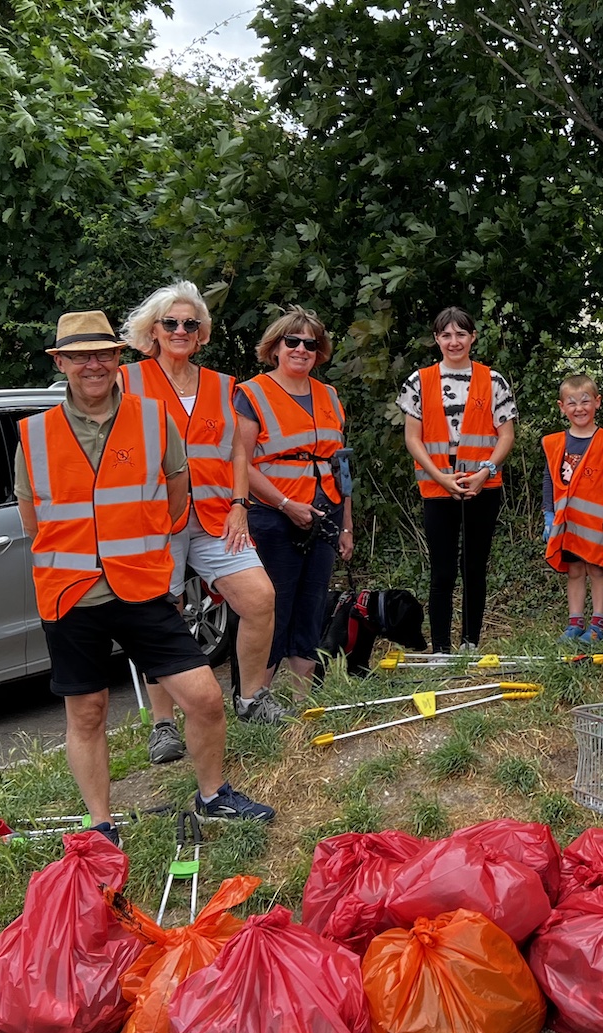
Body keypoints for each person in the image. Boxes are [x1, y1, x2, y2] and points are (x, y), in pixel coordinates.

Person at [17, 312, 272, 838]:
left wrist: (145, 549)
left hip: (142, 587)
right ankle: (101, 824)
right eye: (80, 355)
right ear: (61, 363)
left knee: (203, 698)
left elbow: (177, 499)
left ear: (118, 358)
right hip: (72, 597)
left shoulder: (153, 418)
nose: (93, 365)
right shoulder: (34, 435)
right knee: (87, 714)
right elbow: (32, 521)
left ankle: (213, 795)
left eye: (103, 354)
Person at [119, 281, 288, 771]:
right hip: (156, 520)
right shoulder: (128, 382)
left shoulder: (220, 385)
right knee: (159, 614)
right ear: (153, 330)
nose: (180, 330)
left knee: (259, 598)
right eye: (170, 323)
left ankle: (252, 698)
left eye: (190, 324)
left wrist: (240, 502)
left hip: (217, 515)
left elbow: (238, 450)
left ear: (203, 333)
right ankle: (163, 725)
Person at [234, 307, 353, 687]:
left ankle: (304, 701)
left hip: (325, 513)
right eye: (293, 341)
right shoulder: (252, 393)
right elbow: (242, 464)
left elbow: (341, 466)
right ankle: (257, 698)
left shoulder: (329, 395)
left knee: (312, 606)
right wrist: (286, 505)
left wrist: (346, 525)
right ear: (276, 347)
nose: (302, 349)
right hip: (274, 516)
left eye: (311, 344)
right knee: (273, 608)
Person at [401, 307, 517, 652]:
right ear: (437, 339)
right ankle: (440, 649)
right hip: (438, 487)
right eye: (447, 335)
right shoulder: (418, 381)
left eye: (461, 334)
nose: (454, 342)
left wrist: (485, 473)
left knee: (474, 567)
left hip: (483, 486)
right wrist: (440, 477)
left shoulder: (493, 380)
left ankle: (470, 643)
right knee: (442, 570)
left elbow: (506, 435)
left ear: (473, 338)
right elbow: (412, 438)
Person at [542, 373, 603, 644]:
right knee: (574, 571)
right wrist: (548, 514)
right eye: (572, 403)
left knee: (598, 570)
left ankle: (598, 623)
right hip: (567, 522)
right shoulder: (555, 443)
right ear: (562, 407)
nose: (579, 408)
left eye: (585, 401)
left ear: (598, 402)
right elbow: (550, 479)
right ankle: (575, 622)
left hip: (598, 521)